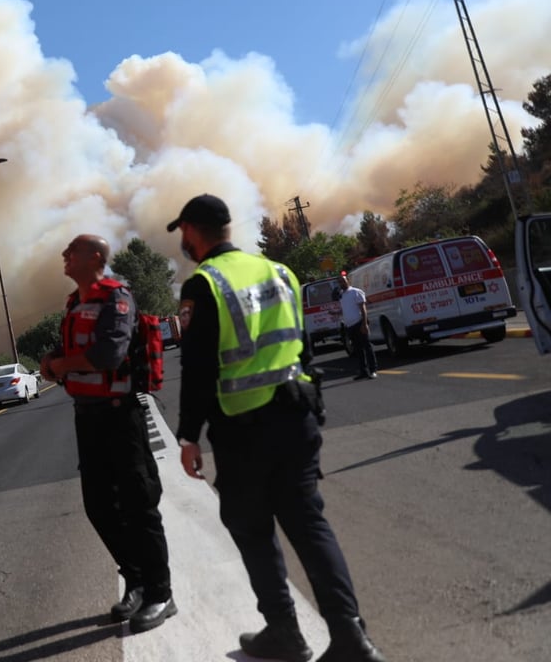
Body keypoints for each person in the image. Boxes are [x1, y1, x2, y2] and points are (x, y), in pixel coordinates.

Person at [169, 194, 387, 662]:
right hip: (297, 414)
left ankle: (285, 632)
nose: (182, 241)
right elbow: (302, 348)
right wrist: (316, 406)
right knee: (309, 524)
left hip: (245, 429)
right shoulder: (279, 271)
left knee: (252, 528)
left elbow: (199, 368)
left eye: (183, 232)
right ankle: (351, 636)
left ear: (193, 230)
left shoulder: (204, 283)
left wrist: (188, 436)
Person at [39, 234, 175, 633]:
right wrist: (54, 360)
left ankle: (161, 593)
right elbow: (71, 354)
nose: (65, 255)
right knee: (98, 506)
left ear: (95, 257)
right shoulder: (74, 302)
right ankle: (135, 579)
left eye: (73, 250)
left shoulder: (117, 298)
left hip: (121, 417)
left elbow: (108, 355)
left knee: (139, 505)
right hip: (88, 417)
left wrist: (59, 365)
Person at [338, 271, 378, 381]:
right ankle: (363, 372)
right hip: (350, 326)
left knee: (367, 347)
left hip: (359, 323)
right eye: (340, 282)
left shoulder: (356, 292)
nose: (342, 283)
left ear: (348, 281)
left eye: (344, 281)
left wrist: (364, 324)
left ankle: (373, 370)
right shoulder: (342, 295)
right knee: (358, 350)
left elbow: (363, 309)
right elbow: (346, 309)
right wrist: (336, 313)